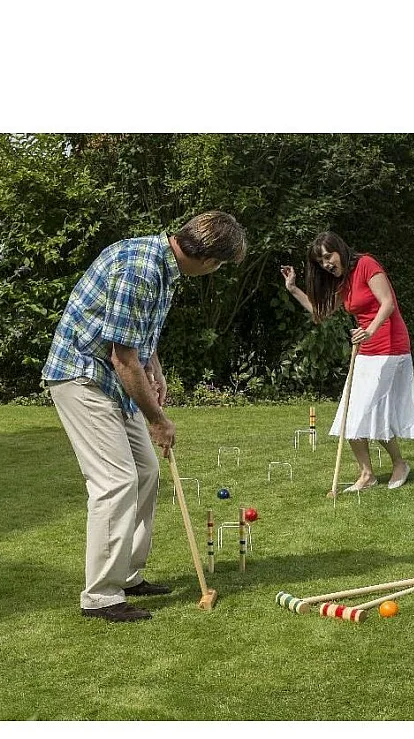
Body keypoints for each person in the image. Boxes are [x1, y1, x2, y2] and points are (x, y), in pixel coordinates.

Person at [42, 212, 248, 622]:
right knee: (115, 481)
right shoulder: (141, 270)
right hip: (83, 376)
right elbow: (122, 358)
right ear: (208, 259)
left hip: (112, 376)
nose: (215, 272)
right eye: (220, 265)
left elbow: (137, 338)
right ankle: (100, 596)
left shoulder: (162, 266)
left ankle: (128, 574)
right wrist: (157, 419)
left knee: (147, 471)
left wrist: (156, 370)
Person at [281, 230, 414, 492]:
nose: (326, 264)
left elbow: (388, 303)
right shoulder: (343, 283)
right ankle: (367, 474)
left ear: (340, 249)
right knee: (351, 413)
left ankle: (400, 464)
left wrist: (370, 330)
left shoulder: (367, 264)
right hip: (366, 350)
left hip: (390, 346)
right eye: (320, 261)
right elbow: (320, 313)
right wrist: (293, 289)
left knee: (370, 411)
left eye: (327, 256)